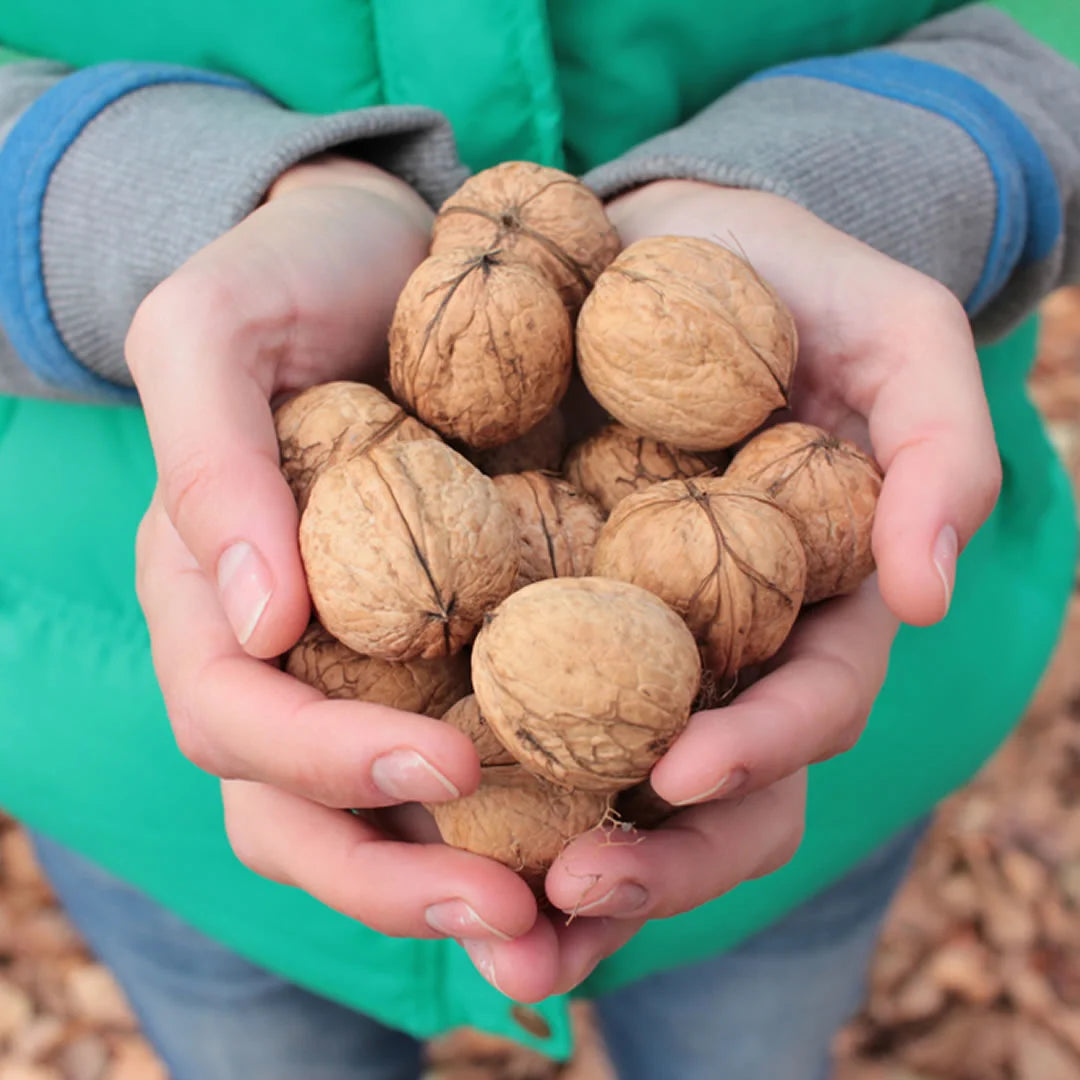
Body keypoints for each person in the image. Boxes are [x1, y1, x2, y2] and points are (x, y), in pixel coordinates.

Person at [0, 2, 1077, 1077]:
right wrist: (154, 208)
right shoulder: (421, 509)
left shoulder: (698, 484)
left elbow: (1044, 49)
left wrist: (906, 176)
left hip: (832, 784)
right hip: (142, 797)